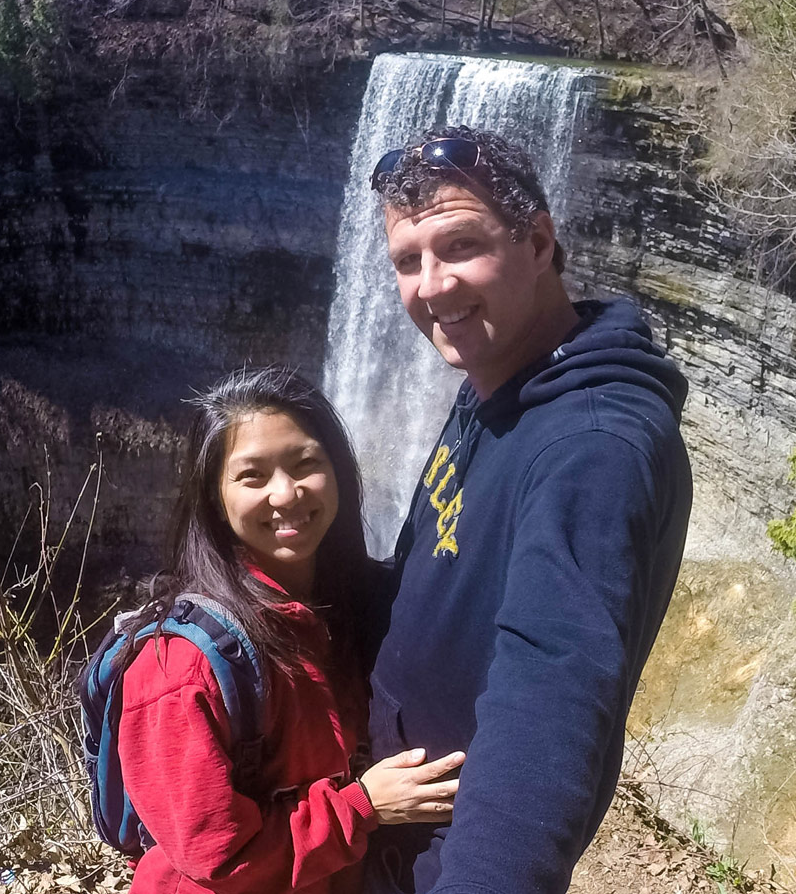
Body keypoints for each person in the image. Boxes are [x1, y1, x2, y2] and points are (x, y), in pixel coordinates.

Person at [364, 127, 694, 894]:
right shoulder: (495, 373)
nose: (433, 286)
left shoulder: (590, 448)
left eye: (460, 246)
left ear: (538, 241)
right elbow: (434, 567)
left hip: (439, 861)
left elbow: (549, 700)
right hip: (378, 825)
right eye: (408, 262)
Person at [116, 367, 466, 894]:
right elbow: (219, 860)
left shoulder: (346, 607)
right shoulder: (180, 667)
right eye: (252, 476)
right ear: (214, 496)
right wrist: (363, 806)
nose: (286, 494)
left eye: (306, 464)